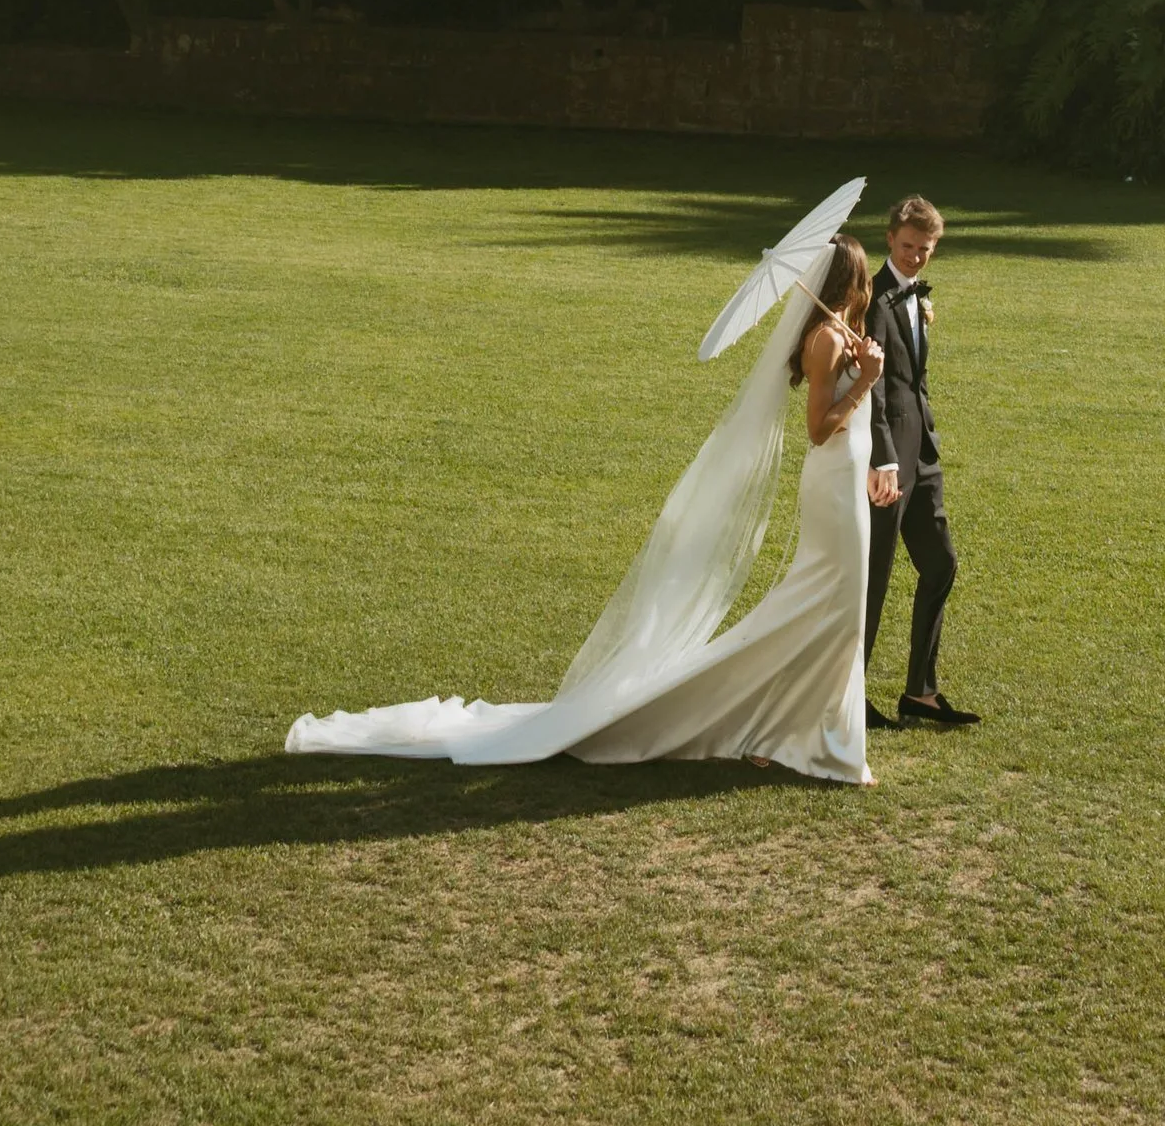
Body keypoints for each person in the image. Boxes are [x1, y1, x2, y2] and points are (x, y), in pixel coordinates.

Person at [286, 198, 884, 788]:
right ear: (851, 280)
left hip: (843, 487)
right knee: (832, 608)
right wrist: (866, 384)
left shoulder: (838, 334)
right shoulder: (827, 342)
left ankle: (801, 732)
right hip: (832, 489)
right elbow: (818, 429)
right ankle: (809, 739)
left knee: (832, 612)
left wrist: (861, 373)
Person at [865, 194, 979, 730]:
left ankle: (920, 691)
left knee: (941, 565)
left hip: (924, 456)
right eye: (908, 247)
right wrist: (883, 461)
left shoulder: (915, 296)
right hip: (887, 464)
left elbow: (912, 380)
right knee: (873, 579)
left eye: (925, 249)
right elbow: (873, 393)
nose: (915, 257)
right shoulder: (870, 298)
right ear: (890, 239)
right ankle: (850, 696)